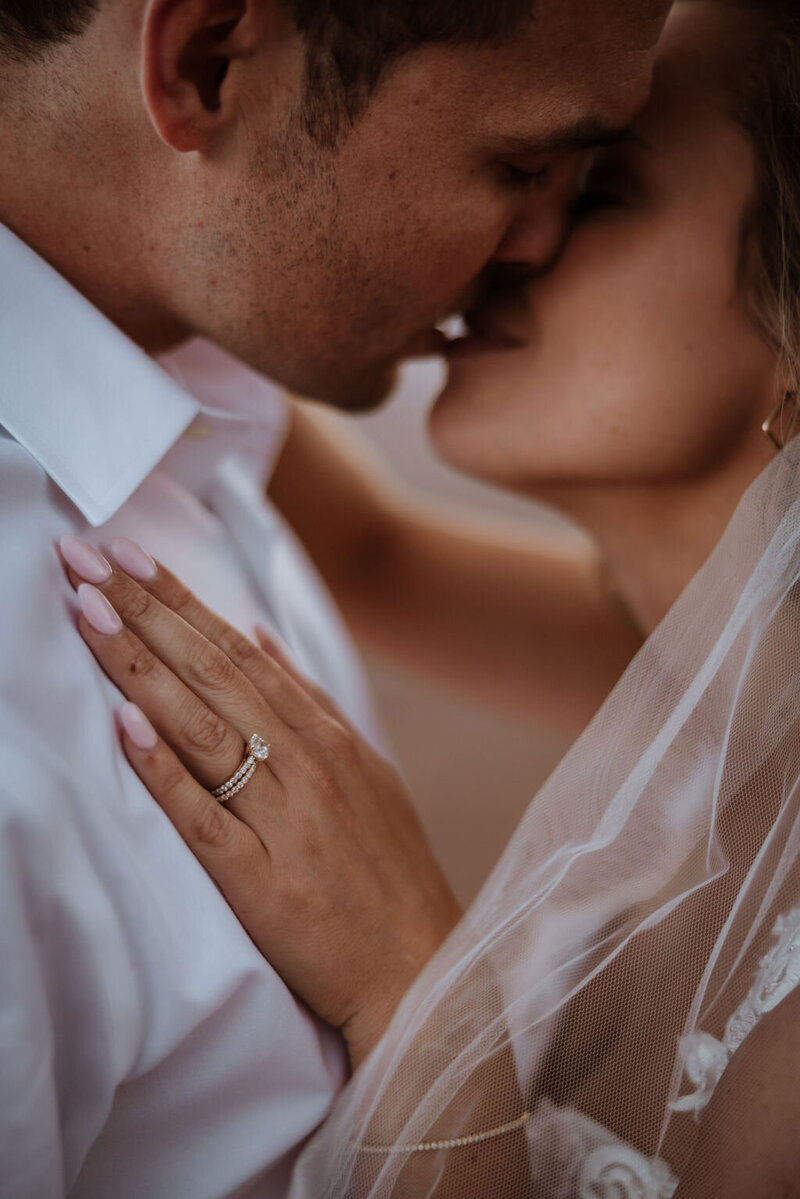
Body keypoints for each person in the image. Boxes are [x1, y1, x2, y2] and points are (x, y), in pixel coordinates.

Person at [58, 0, 800, 1195]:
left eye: (593, 188)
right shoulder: (678, 663)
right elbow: (367, 553)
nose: (520, 236)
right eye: (519, 165)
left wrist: (411, 984)